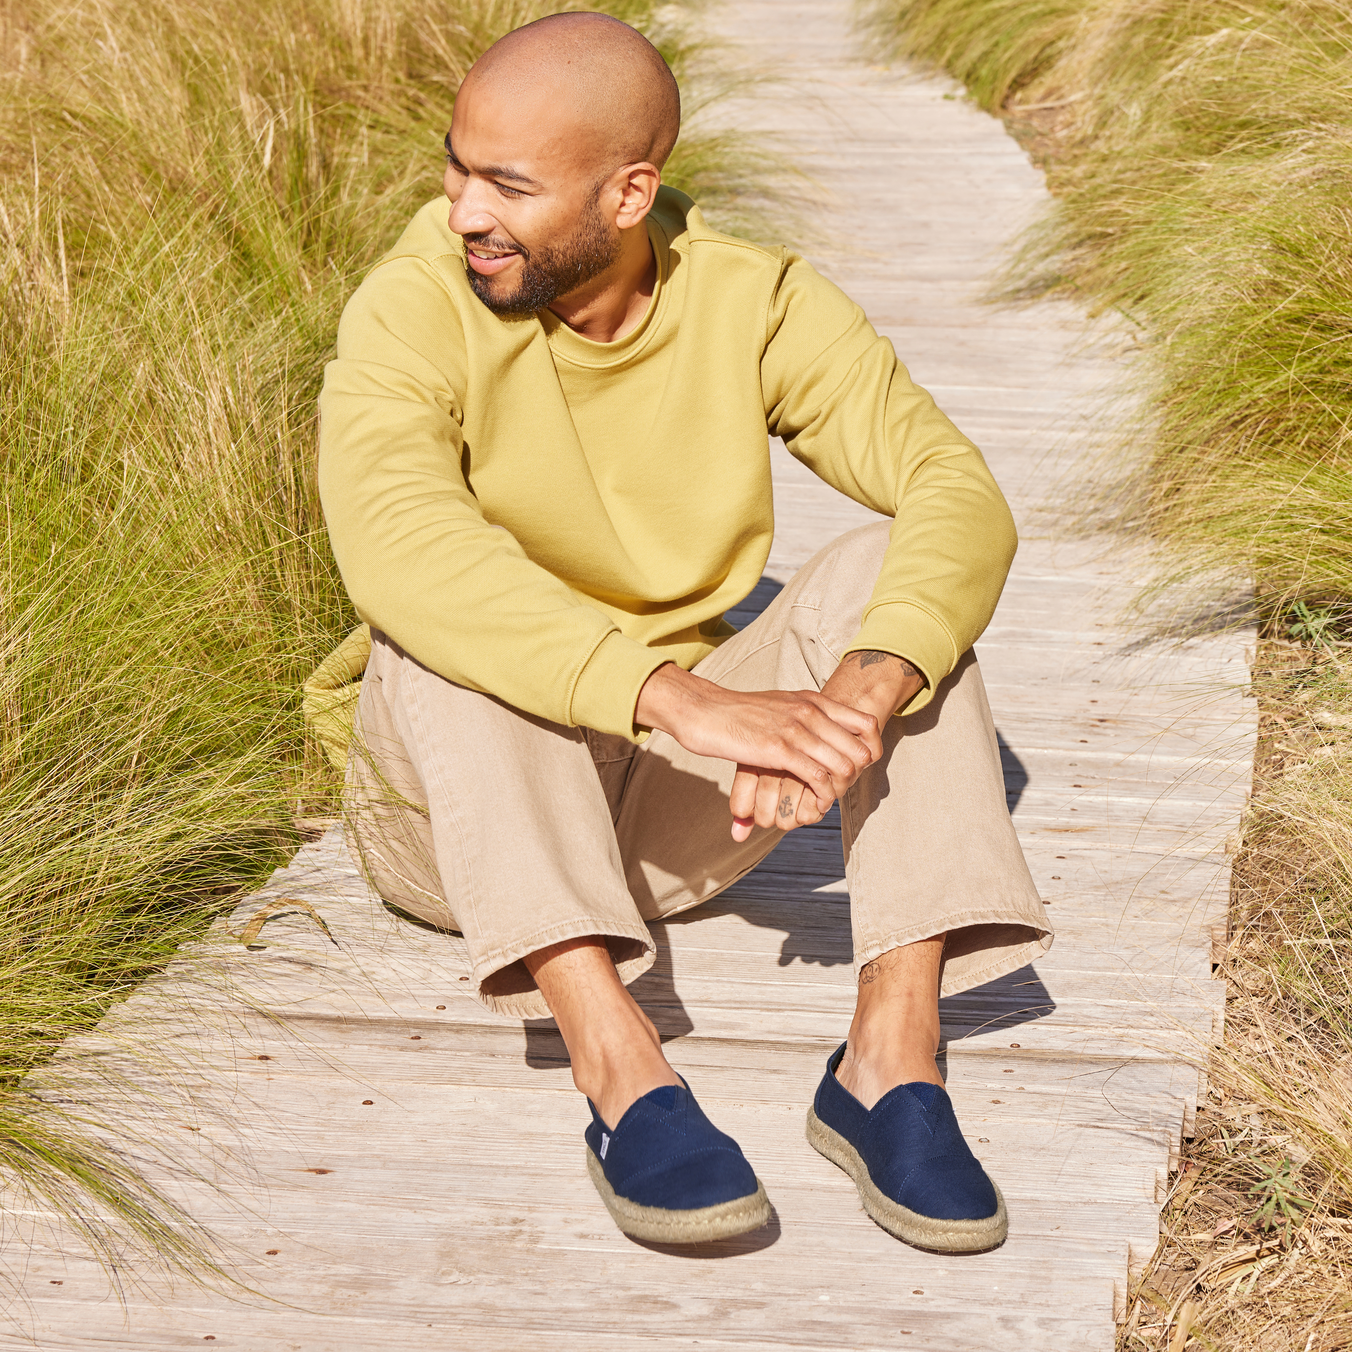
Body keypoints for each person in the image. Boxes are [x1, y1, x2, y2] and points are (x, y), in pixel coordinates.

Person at [309, 10, 1051, 1251]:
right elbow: (399, 544)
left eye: (506, 184)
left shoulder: (747, 298)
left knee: (894, 584)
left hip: (664, 819)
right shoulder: (412, 306)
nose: (461, 211)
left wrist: (862, 690)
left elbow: (951, 488)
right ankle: (621, 1064)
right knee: (446, 628)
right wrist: (680, 695)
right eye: (455, 165)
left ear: (627, 194)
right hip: (450, 820)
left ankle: (888, 1060)